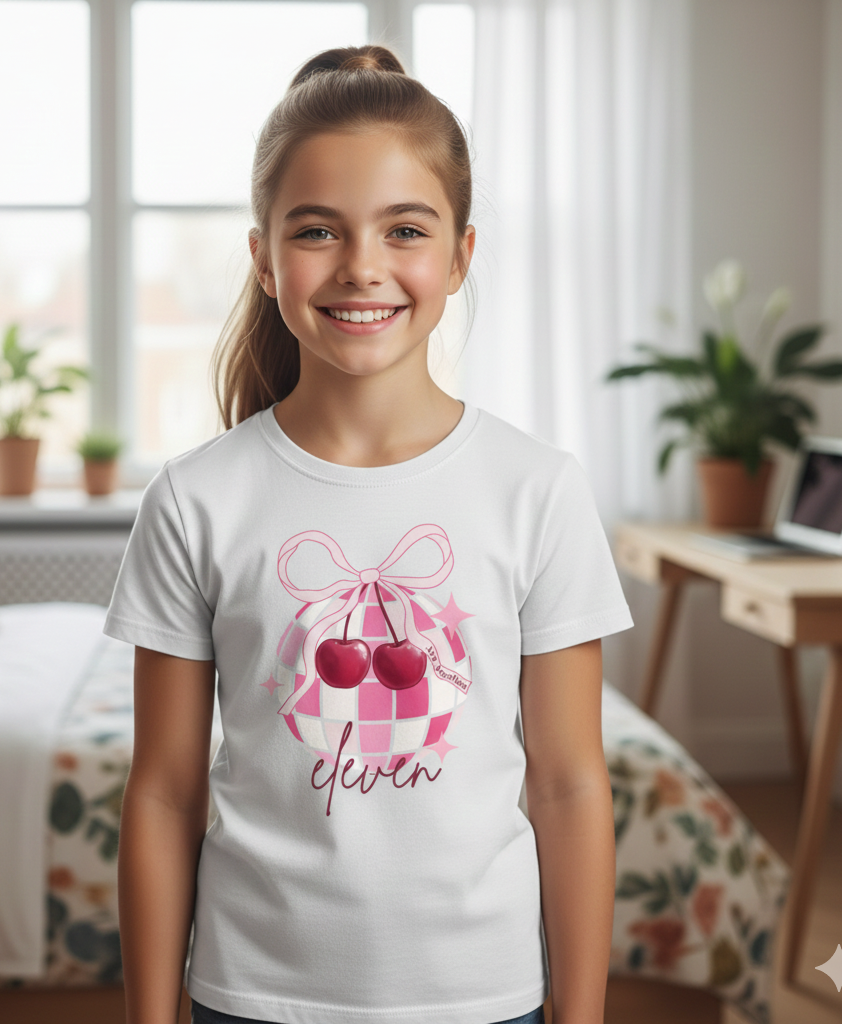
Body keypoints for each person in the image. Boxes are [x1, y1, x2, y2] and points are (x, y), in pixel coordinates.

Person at [106, 44, 633, 1024]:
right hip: (251, 995)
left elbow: (569, 785)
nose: (361, 266)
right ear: (263, 259)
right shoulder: (193, 499)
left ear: (459, 257)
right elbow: (164, 793)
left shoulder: (538, 490)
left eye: (405, 230)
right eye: (317, 230)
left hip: (485, 997)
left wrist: (583, 1014)